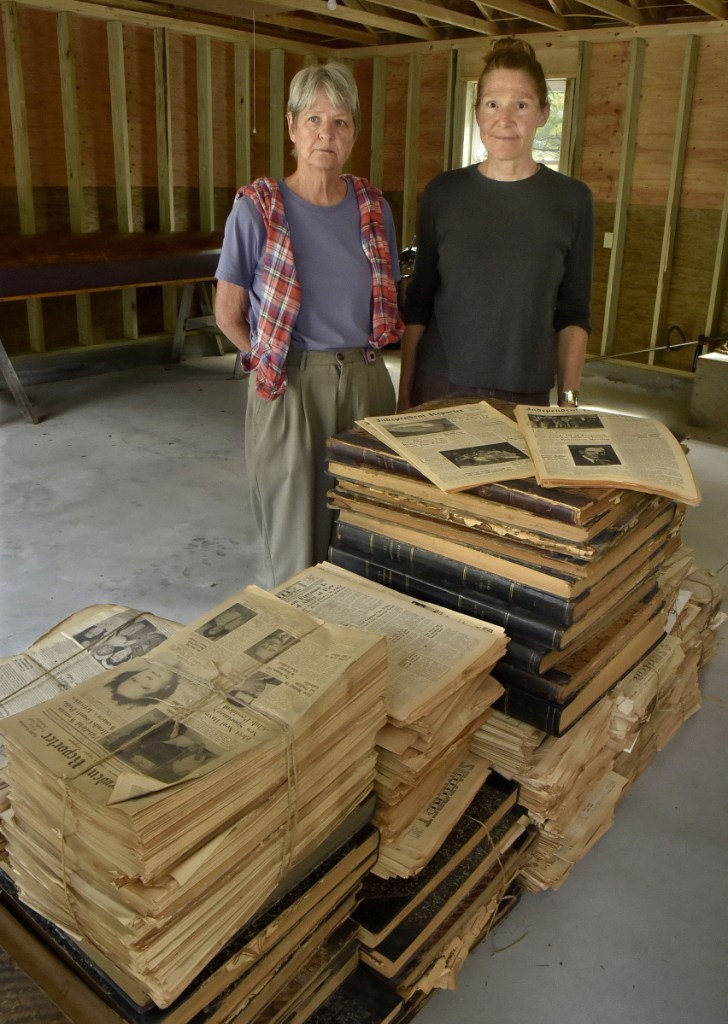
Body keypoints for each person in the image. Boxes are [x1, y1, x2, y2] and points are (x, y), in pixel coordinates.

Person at [215, 62, 403, 586]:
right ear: (292, 127)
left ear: (353, 135)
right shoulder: (258, 209)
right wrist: (271, 361)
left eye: (341, 122)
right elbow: (227, 314)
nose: (327, 133)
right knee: (297, 538)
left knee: (367, 529)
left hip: (365, 381)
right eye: (315, 119)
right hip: (290, 381)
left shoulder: (372, 208)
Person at [398, 37, 593, 413]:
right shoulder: (443, 193)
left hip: (525, 394)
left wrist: (568, 403)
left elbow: (574, 312)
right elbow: (419, 302)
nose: (504, 120)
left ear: (543, 113)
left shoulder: (572, 200)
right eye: (492, 104)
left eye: (520, 104)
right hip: (440, 386)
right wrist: (404, 394)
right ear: (477, 112)